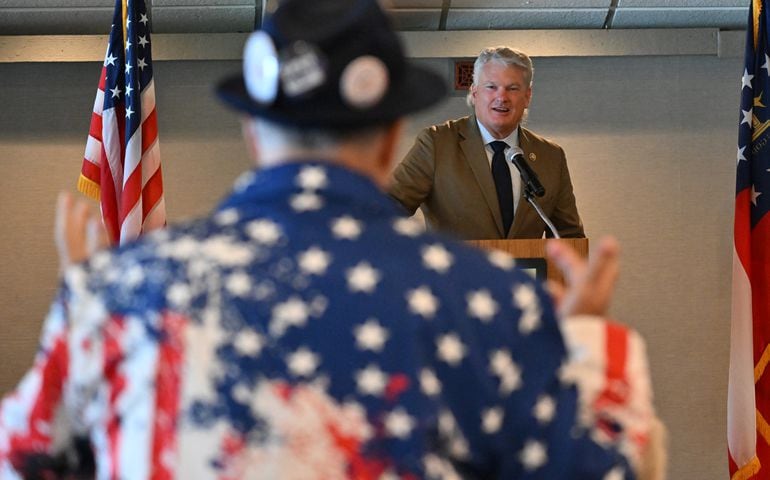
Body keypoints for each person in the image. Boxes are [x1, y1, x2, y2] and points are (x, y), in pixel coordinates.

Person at [0, 1, 663, 478]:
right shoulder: (494, 306)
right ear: (392, 140)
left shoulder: (117, 291)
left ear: (253, 134)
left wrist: (90, 303)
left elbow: (21, 459)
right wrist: (585, 340)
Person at [388, 46, 585, 240]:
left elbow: (568, 237)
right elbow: (386, 209)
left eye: (512, 88)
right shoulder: (437, 144)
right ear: (474, 93)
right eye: (491, 87)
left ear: (527, 97)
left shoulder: (550, 156)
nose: (502, 97)